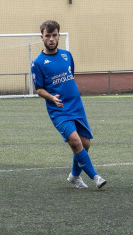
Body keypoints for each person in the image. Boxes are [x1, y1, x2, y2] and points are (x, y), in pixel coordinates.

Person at [31, 20, 106, 190]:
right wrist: (51, 97)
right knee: (74, 141)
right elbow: (39, 89)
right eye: (48, 35)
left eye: (54, 35)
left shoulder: (67, 55)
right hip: (59, 110)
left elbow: (70, 75)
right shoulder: (38, 63)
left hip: (76, 106)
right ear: (41, 37)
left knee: (85, 144)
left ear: (58, 36)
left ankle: (74, 175)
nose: (51, 39)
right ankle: (95, 176)